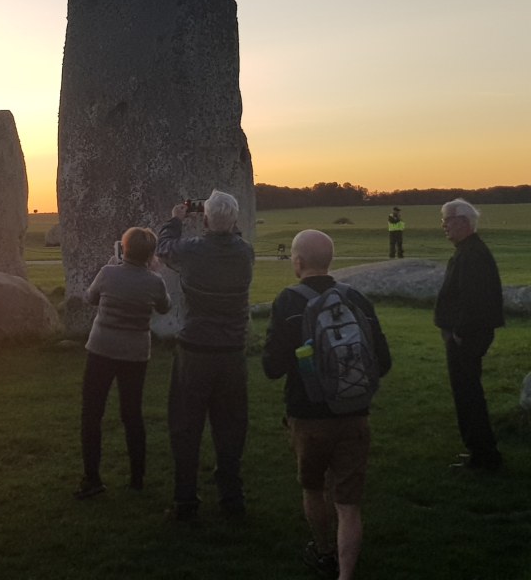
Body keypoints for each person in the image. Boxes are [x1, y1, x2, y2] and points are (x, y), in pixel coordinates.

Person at [262, 229, 391, 580]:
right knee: (348, 505)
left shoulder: (288, 302)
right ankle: (346, 574)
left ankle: (323, 552)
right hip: (354, 414)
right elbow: (384, 361)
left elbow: (272, 368)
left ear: (299, 261)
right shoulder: (356, 299)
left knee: (313, 489)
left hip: (308, 416)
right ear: (330, 261)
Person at [157, 189, 254, 520]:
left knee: (186, 425)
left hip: (195, 350)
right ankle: (232, 497)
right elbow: (233, 235)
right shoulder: (245, 253)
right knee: (231, 426)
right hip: (232, 353)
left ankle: (185, 500)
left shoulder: (193, 251)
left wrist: (176, 219)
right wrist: (219, 217)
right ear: (235, 220)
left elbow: (165, 248)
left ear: (207, 220)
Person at [75, 227, 171, 499]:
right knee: (132, 415)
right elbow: (165, 307)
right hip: (135, 353)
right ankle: (137, 478)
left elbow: (89, 298)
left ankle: (92, 478)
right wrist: (155, 274)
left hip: (101, 349)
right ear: (150, 254)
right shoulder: (154, 281)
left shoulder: (108, 273)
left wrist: (108, 267)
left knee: (92, 414)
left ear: (124, 249)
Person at [435, 198, 503, 471]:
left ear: (463, 222)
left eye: (447, 220)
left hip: (466, 338)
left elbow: (474, 300)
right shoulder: (468, 250)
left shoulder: (472, 254)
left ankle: (484, 456)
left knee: (468, 395)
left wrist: (460, 331)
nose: (444, 226)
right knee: (466, 393)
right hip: (464, 336)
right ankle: (479, 451)